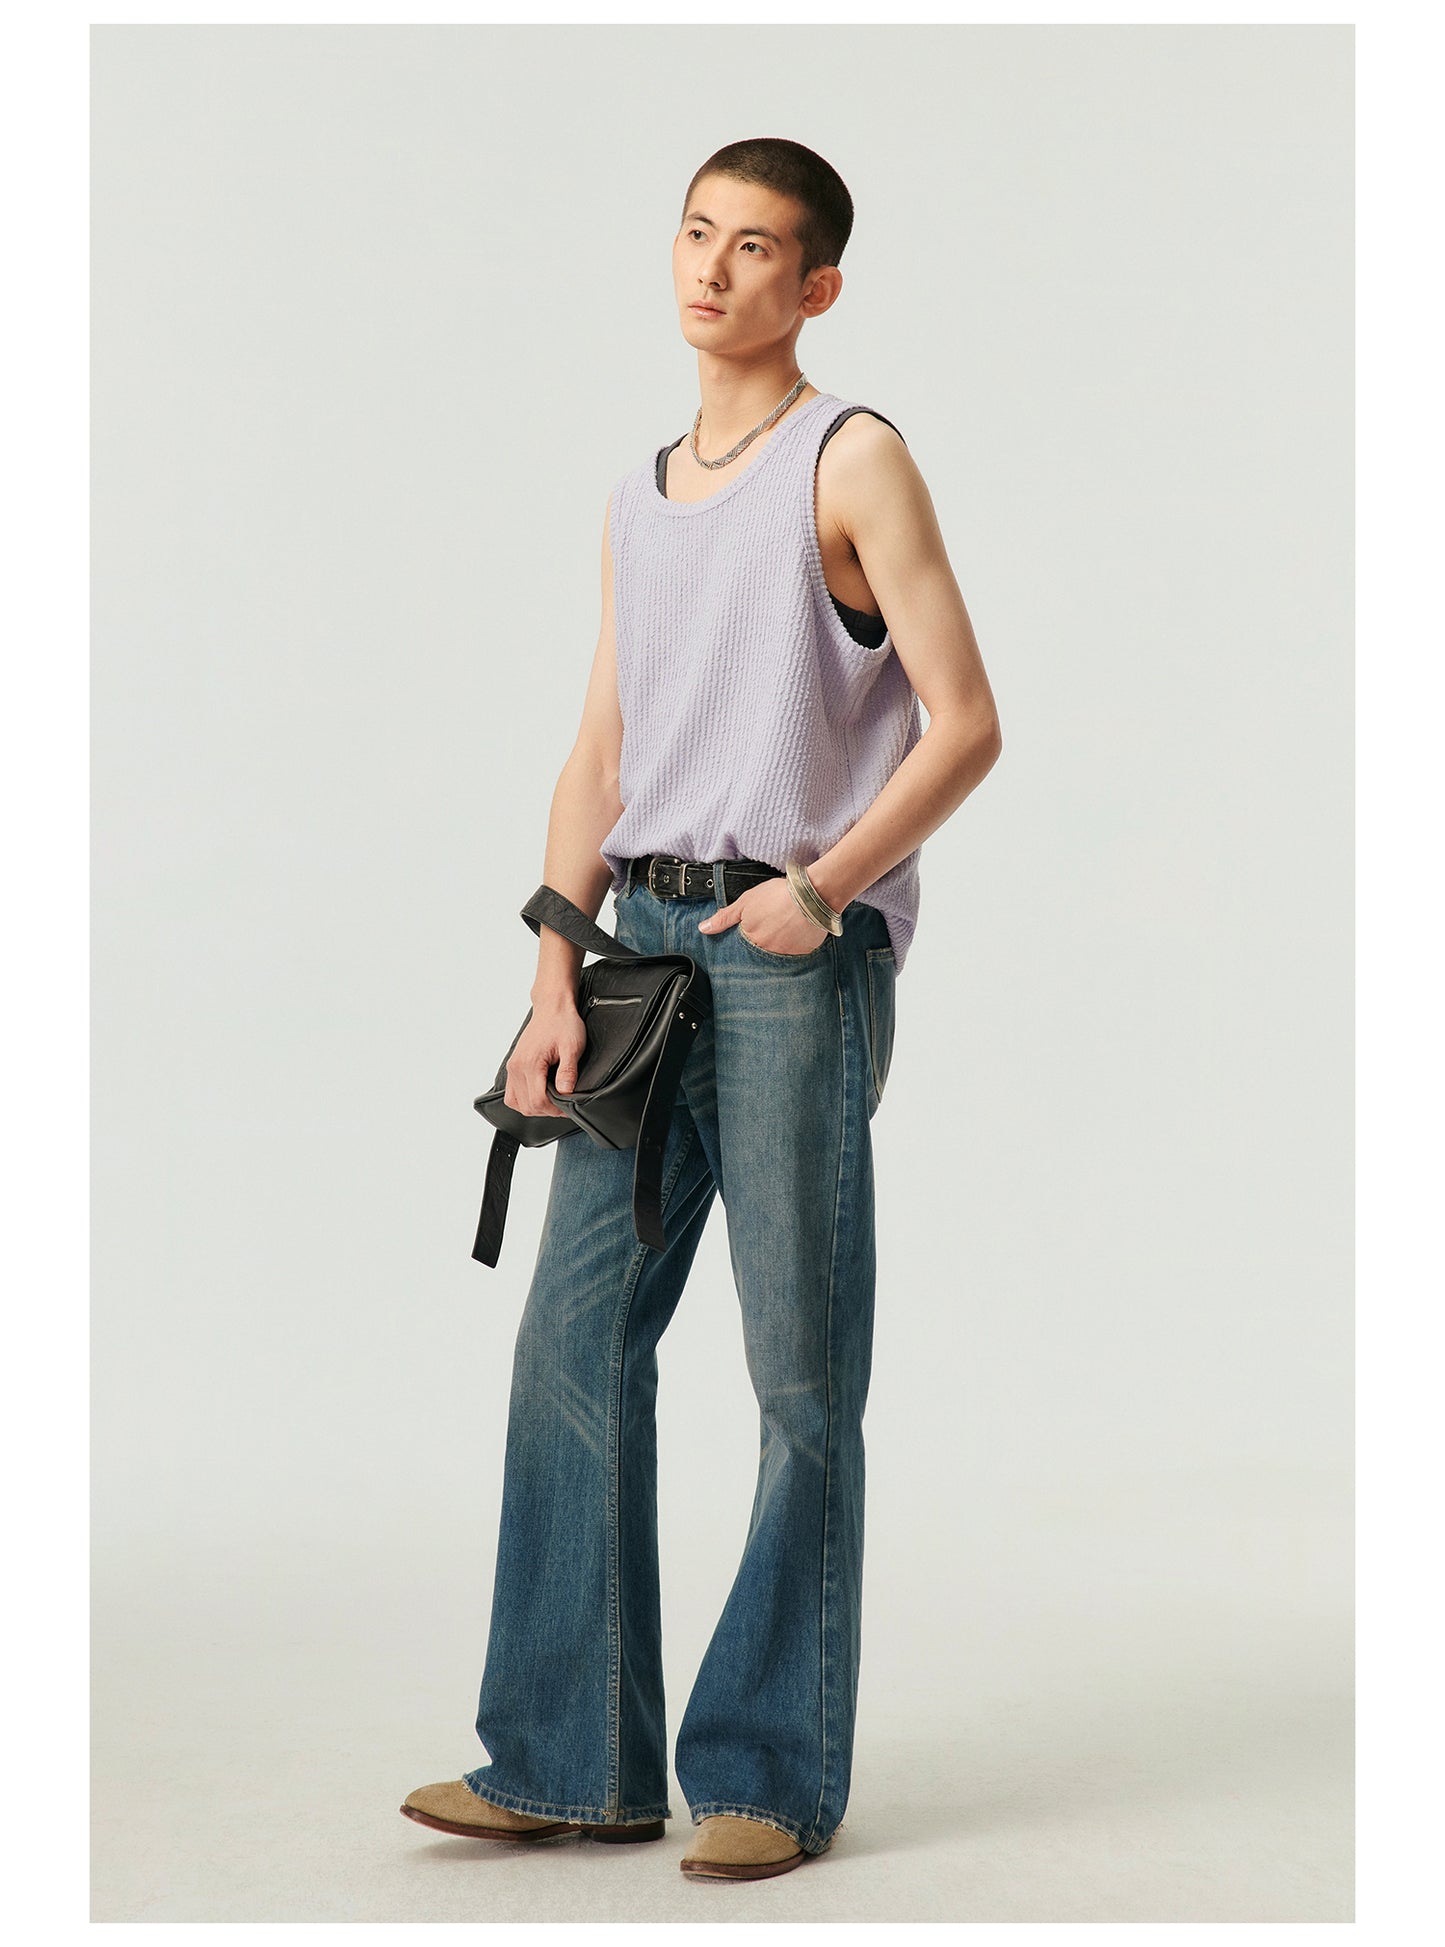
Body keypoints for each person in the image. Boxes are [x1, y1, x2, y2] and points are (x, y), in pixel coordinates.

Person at [402, 136, 1002, 1884]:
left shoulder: (850, 455)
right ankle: (567, 1758)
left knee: (799, 1376)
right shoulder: (638, 492)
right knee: (573, 1341)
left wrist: (823, 891)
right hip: (641, 957)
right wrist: (549, 974)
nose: (712, 269)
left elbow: (966, 722)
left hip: (793, 953)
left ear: (815, 286)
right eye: (694, 234)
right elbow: (600, 752)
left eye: (754, 249)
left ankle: (767, 1773)